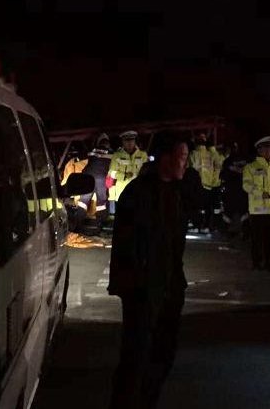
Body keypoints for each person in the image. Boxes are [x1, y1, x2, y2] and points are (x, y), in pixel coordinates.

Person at [107, 132, 194, 409]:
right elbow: (125, 248)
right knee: (135, 361)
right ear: (165, 158)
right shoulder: (137, 194)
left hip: (169, 288)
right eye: (182, 157)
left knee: (163, 357)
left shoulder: (177, 193)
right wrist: (133, 287)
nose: (185, 163)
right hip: (142, 291)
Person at [243, 136, 270, 271]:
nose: (268, 151)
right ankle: (257, 262)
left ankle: (269, 262)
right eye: (265, 148)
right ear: (259, 150)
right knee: (257, 239)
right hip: (257, 210)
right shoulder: (251, 167)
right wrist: (260, 193)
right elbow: (246, 185)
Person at [107, 130, 149, 215]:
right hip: (122, 191)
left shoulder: (143, 155)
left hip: (139, 191)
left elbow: (147, 172)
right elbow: (111, 173)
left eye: (131, 140)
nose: (129, 143)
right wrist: (124, 175)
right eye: (127, 141)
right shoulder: (117, 155)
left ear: (134, 141)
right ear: (123, 142)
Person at [77, 132, 112, 226]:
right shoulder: (111, 152)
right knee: (101, 201)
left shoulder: (92, 150)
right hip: (101, 178)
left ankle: (77, 221)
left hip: (88, 177)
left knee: (83, 201)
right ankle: (102, 222)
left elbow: (80, 158)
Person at [189, 132, 216, 233]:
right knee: (206, 207)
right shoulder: (210, 154)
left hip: (197, 184)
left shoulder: (193, 153)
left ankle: (197, 226)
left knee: (197, 206)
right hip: (208, 184)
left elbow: (190, 168)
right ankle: (206, 226)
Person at [221, 142, 249, 237]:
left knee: (229, 211)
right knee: (243, 211)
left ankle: (228, 231)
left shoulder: (227, 161)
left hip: (232, 190)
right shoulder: (246, 160)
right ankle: (244, 231)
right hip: (242, 190)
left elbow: (223, 176)